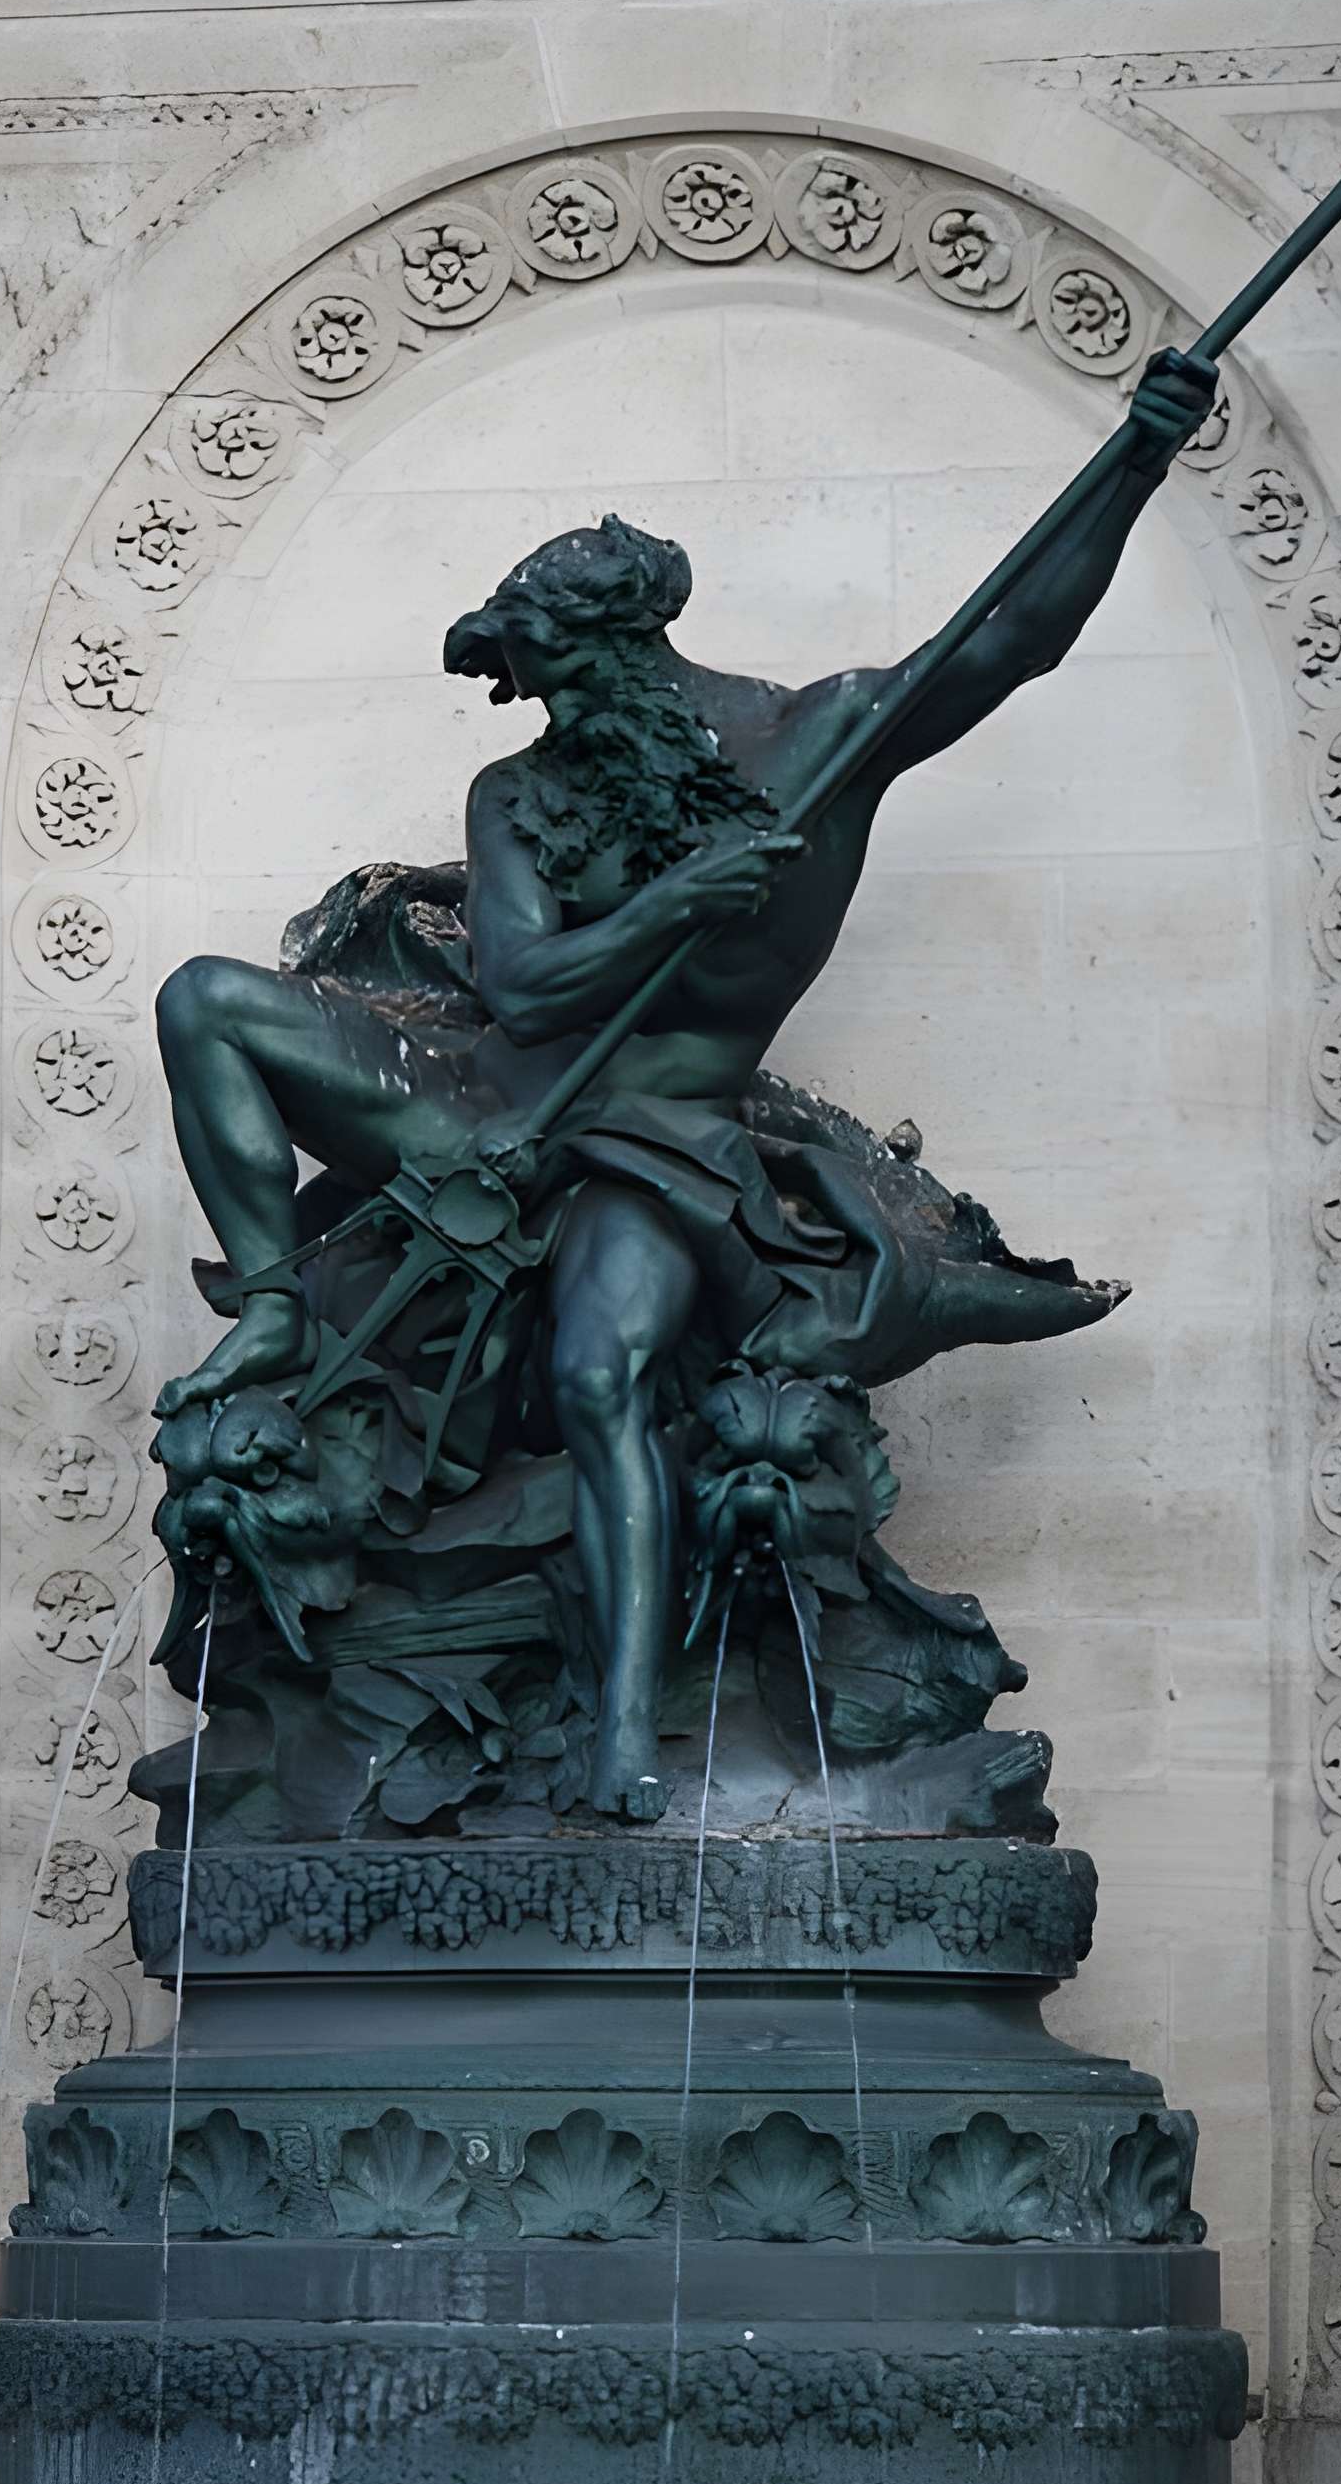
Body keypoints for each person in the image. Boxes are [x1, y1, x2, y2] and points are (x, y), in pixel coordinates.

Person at [152, 345, 1219, 1820]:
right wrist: (674, 901)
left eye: (549, 679)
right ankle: (272, 1302)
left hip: (662, 1146)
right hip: (489, 1092)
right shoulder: (524, 794)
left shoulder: (818, 741)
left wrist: (1141, 459)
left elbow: (1007, 643)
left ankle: (617, 1740)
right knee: (205, 1001)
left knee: (601, 1376)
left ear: (624, 654)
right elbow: (524, 987)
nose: (535, 717)